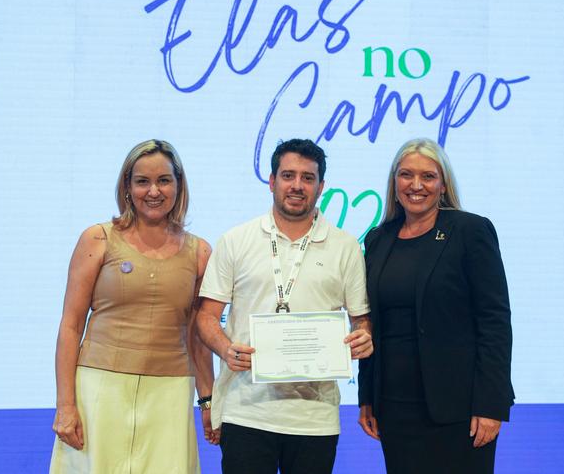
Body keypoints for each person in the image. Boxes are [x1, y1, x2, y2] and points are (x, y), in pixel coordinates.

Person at [196, 138, 373, 474]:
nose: (297, 185)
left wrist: (363, 336)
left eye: (308, 178)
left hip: (315, 417)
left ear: (321, 186)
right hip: (246, 411)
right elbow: (206, 317)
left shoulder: (345, 246)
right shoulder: (236, 240)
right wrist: (225, 348)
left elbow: (361, 320)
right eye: (288, 175)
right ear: (271, 181)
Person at [49, 139, 217, 474]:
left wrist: (208, 400)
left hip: (170, 392)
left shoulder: (200, 253)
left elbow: (197, 336)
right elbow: (70, 325)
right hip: (99, 388)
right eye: (143, 181)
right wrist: (65, 405)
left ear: (178, 185)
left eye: (164, 180)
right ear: (127, 186)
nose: (154, 191)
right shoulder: (97, 239)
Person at [357, 138, 514, 474]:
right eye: (406, 175)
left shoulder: (471, 231)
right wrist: (367, 396)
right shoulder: (378, 239)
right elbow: (373, 323)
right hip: (394, 407)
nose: (416, 185)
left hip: (459, 408)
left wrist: (491, 403)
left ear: (443, 185)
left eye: (428, 176)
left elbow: (495, 321)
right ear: (394, 182)